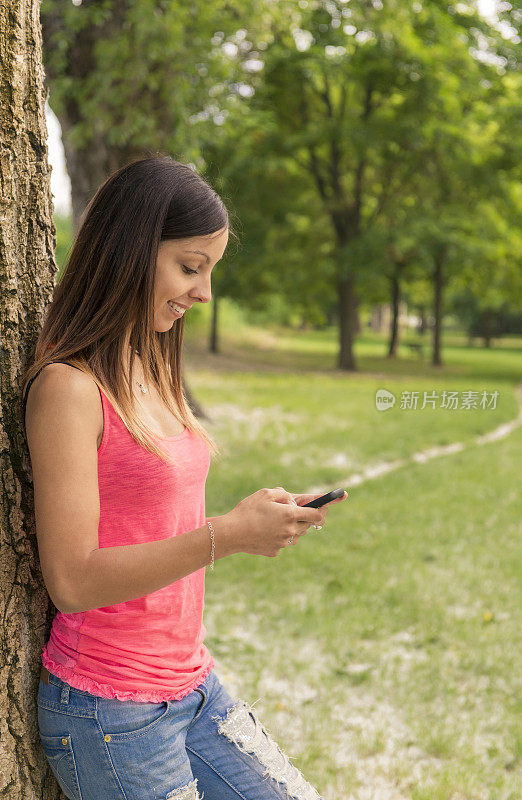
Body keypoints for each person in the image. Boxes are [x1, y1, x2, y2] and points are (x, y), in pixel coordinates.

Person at [22, 155, 348, 800]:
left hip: (191, 686)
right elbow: (73, 580)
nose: (203, 294)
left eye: (209, 272)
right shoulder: (69, 388)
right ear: (129, 253)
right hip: (110, 710)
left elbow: (151, 515)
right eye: (190, 268)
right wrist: (223, 536)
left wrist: (252, 519)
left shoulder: (152, 368)